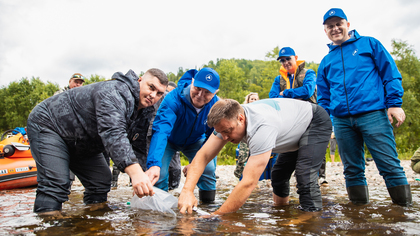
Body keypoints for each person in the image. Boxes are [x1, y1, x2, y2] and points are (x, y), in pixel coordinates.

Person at [27, 68, 168, 215]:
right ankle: (48, 225)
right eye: (151, 87)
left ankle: (94, 221)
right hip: (50, 126)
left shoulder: (147, 111)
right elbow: (114, 133)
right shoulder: (115, 91)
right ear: (139, 80)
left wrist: (142, 179)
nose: (153, 95)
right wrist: (135, 173)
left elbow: (138, 145)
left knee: (100, 181)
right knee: (56, 184)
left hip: (84, 141)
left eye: (159, 93)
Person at [317, 8, 412, 206]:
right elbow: (324, 98)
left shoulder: (369, 44)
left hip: (373, 114)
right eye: (330, 26)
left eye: (338, 24)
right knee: (352, 169)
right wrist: (323, 124)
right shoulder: (326, 62)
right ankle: (358, 218)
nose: (335, 29)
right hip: (341, 121)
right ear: (325, 31)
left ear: (347, 25)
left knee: (389, 165)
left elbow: (390, 73)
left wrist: (394, 103)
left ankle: (404, 212)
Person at [178, 98, 332, 214]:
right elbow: (203, 155)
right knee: (278, 175)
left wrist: (217, 216)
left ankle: (311, 219)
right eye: (221, 132)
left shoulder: (261, 127)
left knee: (305, 175)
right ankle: (281, 212)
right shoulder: (226, 121)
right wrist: (187, 191)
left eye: (228, 131)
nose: (224, 138)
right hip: (291, 128)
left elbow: (248, 182)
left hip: (314, 121)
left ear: (240, 118)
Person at [146, 67, 220, 202]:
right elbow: (161, 131)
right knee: (159, 172)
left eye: (207, 92)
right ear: (192, 82)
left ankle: (209, 206)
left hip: (196, 141)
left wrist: (197, 161)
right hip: (169, 139)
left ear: (215, 92)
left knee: (208, 169)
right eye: (197, 88)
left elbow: (213, 137)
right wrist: (154, 164)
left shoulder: (216, 105)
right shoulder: (172, 99)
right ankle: (159, 207)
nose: (200, 95)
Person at [235, 92, 259, 179]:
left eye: (255, 99)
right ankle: (238, 176)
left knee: (254, 159)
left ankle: (252, 179)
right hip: (245, 137)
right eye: (252, 99)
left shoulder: (260, 110)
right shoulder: (243, 109)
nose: (253, 100)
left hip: (255, 137)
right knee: (242, 157)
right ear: (248, 100)